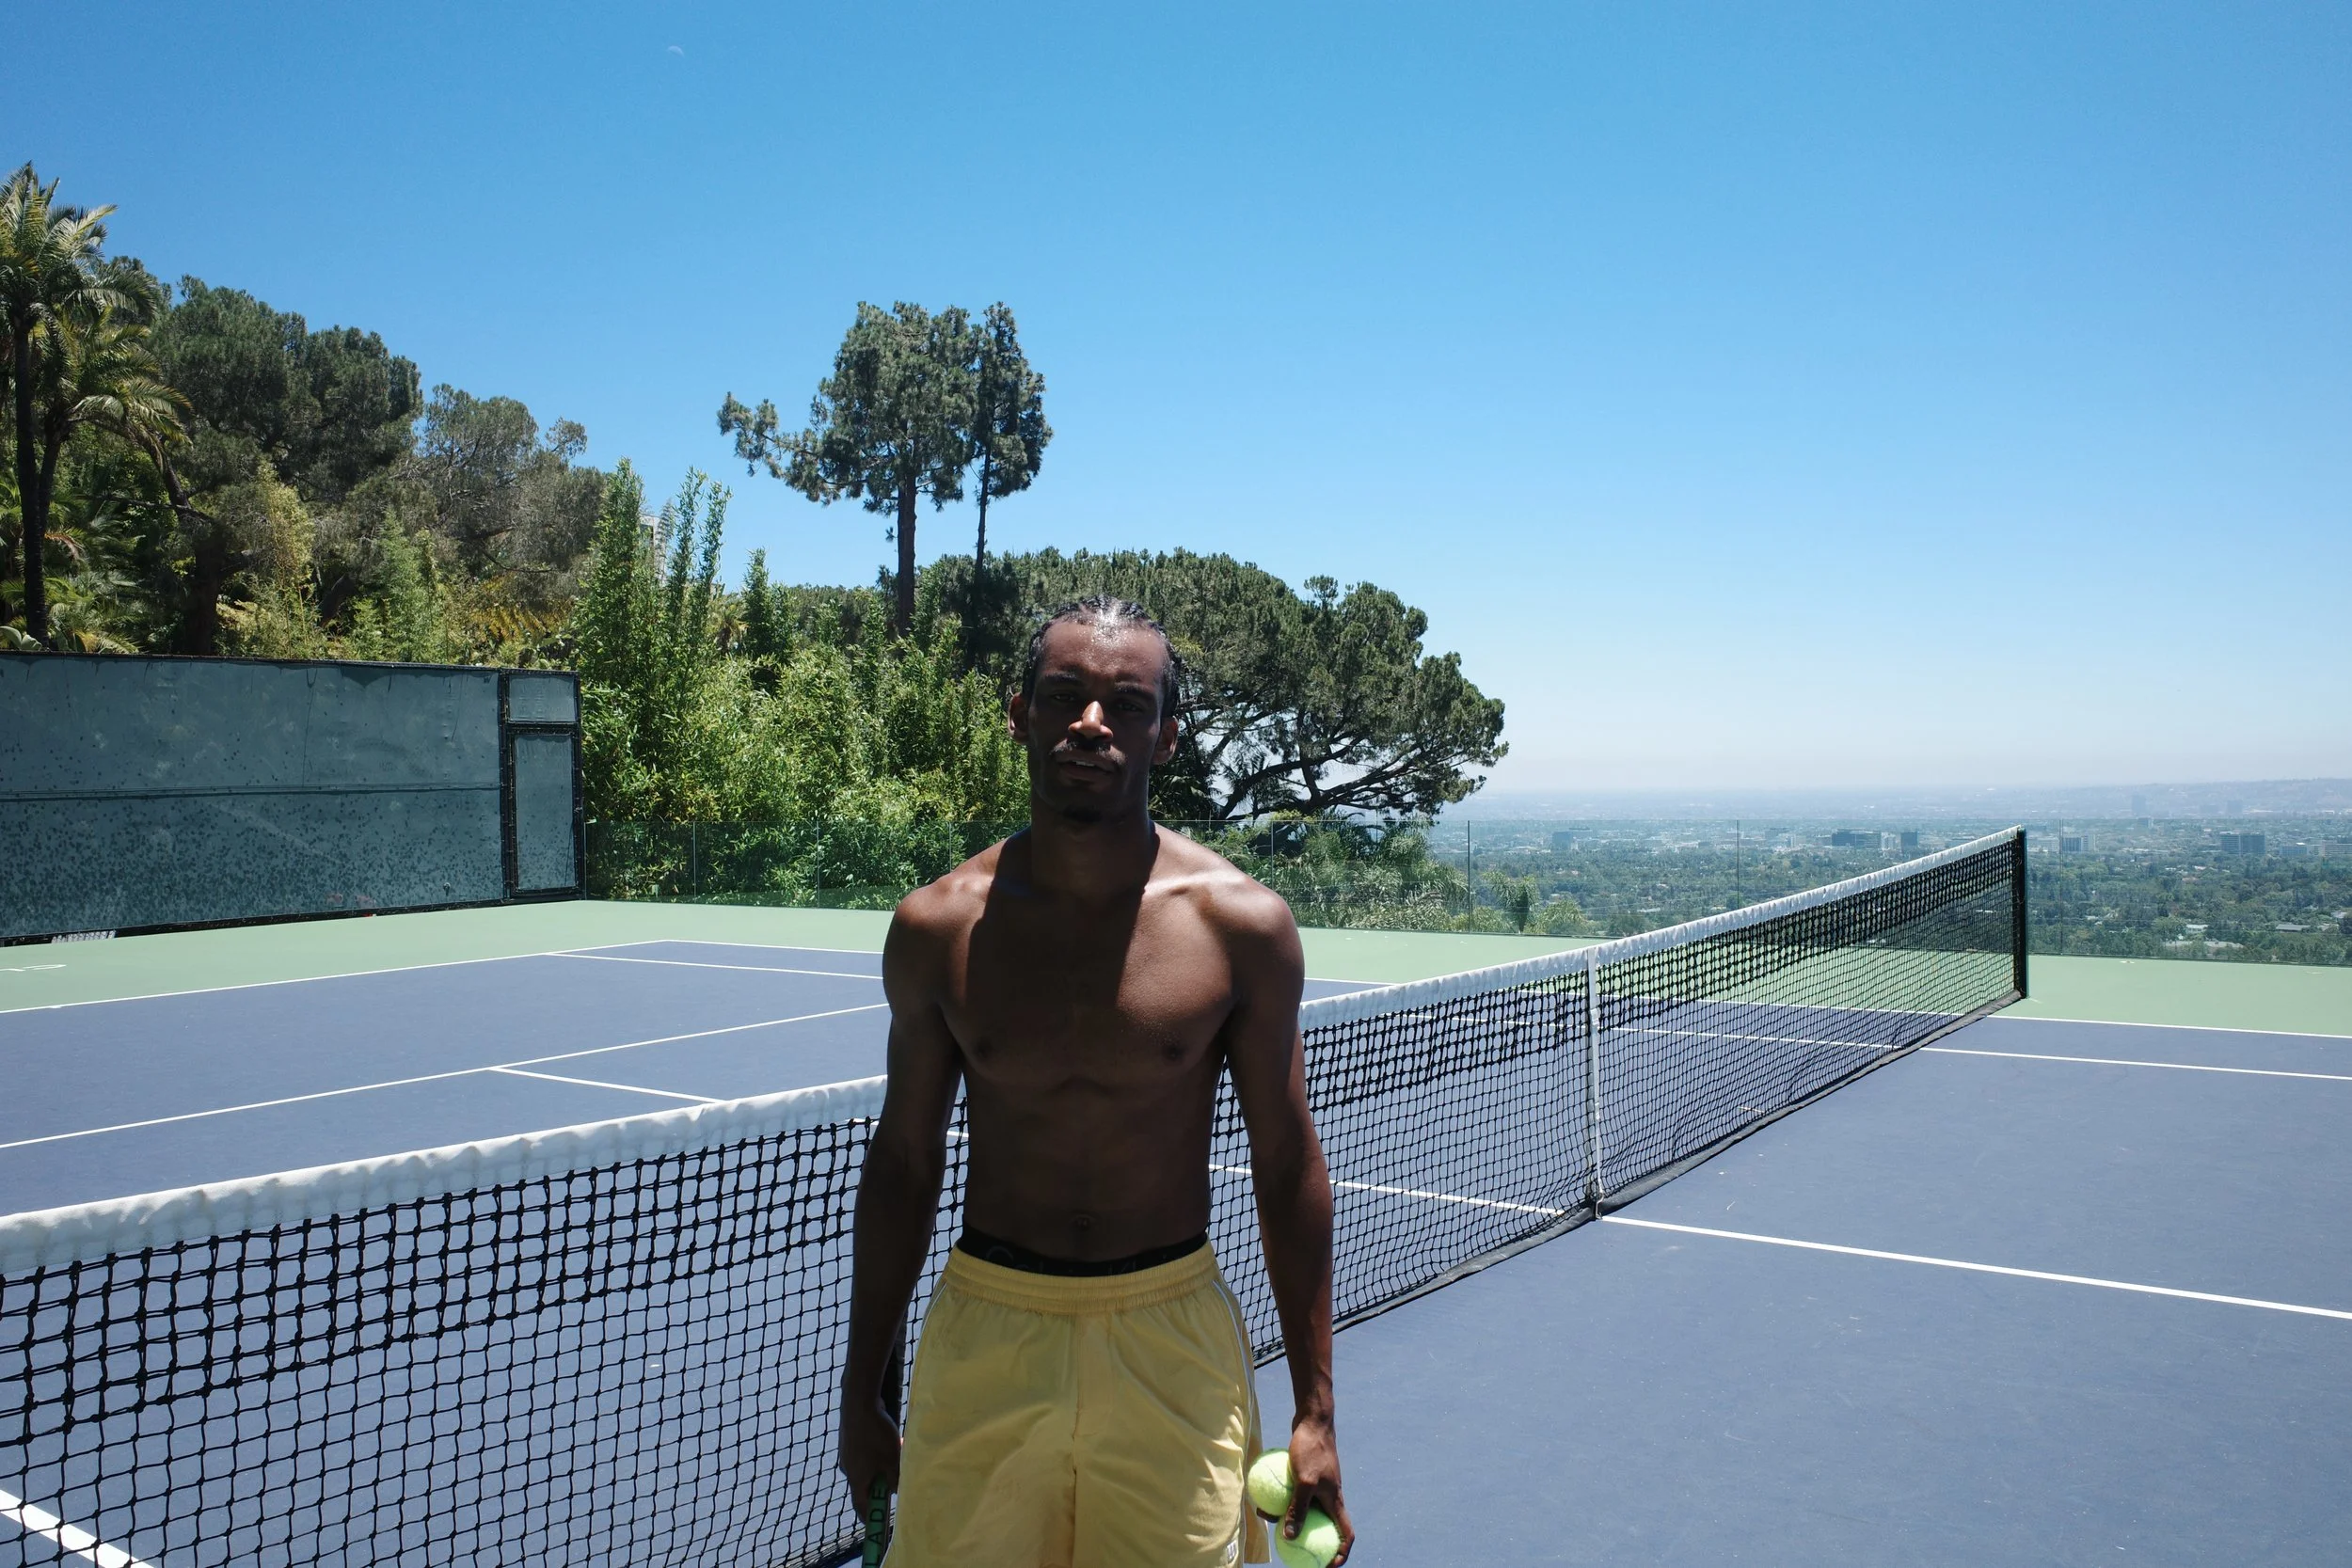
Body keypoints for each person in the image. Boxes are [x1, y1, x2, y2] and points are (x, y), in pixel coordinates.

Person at [837, 595, 1354, 1567]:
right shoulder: (935, 926)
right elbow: (903, 1164)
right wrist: (862, 1391)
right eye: (1064, 694)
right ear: (1017, 710)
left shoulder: (1241, 925)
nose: (1089, 721)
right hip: (987, 1330)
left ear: (1164, 736)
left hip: (1172, 1337)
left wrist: (1316, 1408)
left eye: (1124, 702)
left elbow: (1286, 1163)